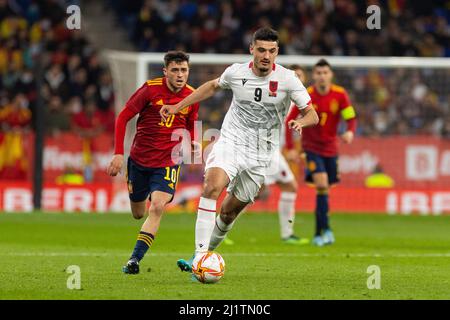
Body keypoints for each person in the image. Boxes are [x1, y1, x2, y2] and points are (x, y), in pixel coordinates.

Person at [159, 27, 318, 274]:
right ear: (252, 49)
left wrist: (301, 122)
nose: (266, 55)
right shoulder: (235, 72)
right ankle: (200, 258)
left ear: (277, 52)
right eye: (262, 50)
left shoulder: (288, 79)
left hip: (261, 154)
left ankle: (201, 255)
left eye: (272, 51)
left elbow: (313, 114)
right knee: (212, 186)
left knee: (229, 211)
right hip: (231, 142)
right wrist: (178, 106)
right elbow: (212, 87)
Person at [106, 51, 200, 274]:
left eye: (184, 70)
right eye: (175, 70)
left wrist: (194, 140)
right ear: (165, 71)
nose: (180, 75)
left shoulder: (192, 96)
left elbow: (191, 121)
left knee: (157, 207)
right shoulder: (150, 89)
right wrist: (118, 153)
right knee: (138, 213)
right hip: (139, 160)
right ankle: (137, 247)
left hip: (168, 162)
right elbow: (122, 117)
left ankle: (134, 260)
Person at [285, 59, 357, 247]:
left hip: (331, 149)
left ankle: (324, 230)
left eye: (325, 72)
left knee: (325, 190)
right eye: (318, 73)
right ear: (314, 75)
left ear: (330, 75)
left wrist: (350, 131)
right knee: (322, 184)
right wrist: (292, 148)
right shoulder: (306, 95)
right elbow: (290, 120)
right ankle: (321, 232)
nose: (322, 76)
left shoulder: (340, 94)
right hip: (312, 149)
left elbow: (350, 117)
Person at [254, 64, 309, 245]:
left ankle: (287, 234)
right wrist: (291, 149)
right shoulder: (285, 97)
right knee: (250, 193)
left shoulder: (299, 100)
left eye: (300, 76)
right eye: (295, 76)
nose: (298, 79)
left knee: (287, 187)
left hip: (275, 151)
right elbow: (285, 126)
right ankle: (221, 228)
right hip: (268, 150)